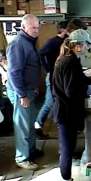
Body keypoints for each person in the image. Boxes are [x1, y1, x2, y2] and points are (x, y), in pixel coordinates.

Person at [49, 29, 91, 181]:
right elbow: (72, 91)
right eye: (87, 45)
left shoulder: (72, 59)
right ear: (78, 45)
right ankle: (66, 178)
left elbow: (80, 80)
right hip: (65, 112)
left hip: (68, 110)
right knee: (67, 151)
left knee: (69, 147)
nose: (88, 48)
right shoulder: (69, 61)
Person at [6, 14, 43, 170]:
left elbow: (29, 68)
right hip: (20, 91)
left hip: (28, 89)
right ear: (23, 27)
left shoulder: (29, 42)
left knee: (29, 123)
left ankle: (31, 150)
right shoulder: (18, 44)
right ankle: (21, 158)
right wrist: (22, 95)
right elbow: (14, 72)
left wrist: (33, 85)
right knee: (22, 125)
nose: (36, 30)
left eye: (38, 27)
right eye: (33, 27)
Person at [34, 21, 69, 139]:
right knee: (49, 102)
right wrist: (48, 69)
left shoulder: (64, 42)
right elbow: (41, 53)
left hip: (58, 76)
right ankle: (37, 126)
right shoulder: (54, 41)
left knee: (58, 100)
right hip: (52, 76)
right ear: (63, 30)